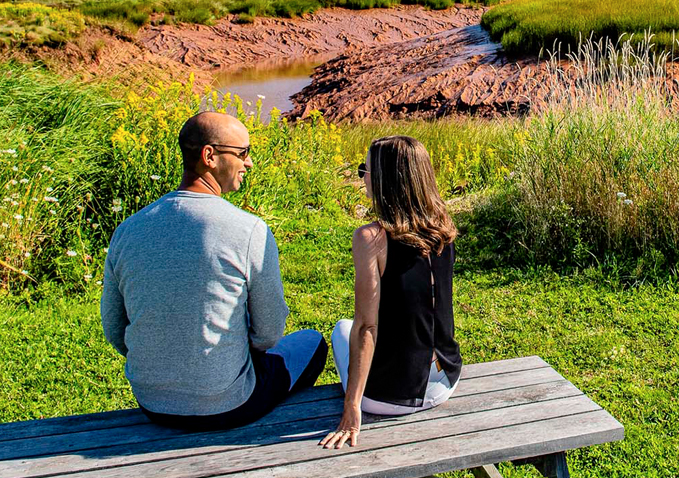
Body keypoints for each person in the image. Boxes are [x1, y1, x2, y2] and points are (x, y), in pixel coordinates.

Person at [101, 111, 328, 430]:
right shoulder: (248, 230)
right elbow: (269, 333)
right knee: (313, 343)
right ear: (209, 155)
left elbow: (114, 327)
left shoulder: (127, 230)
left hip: (151, 403)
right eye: (243, 153)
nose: (249, 163)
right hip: (228, 403)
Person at [320, 135, 462, 449]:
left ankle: (360, 397)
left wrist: (352, 407)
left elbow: (368, 327)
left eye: (365, 170)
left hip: (391, 398)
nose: (362, 178)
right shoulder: (444, 227)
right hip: (446, 379)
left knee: (343, 329)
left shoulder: (371, 237)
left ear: (385, 180)